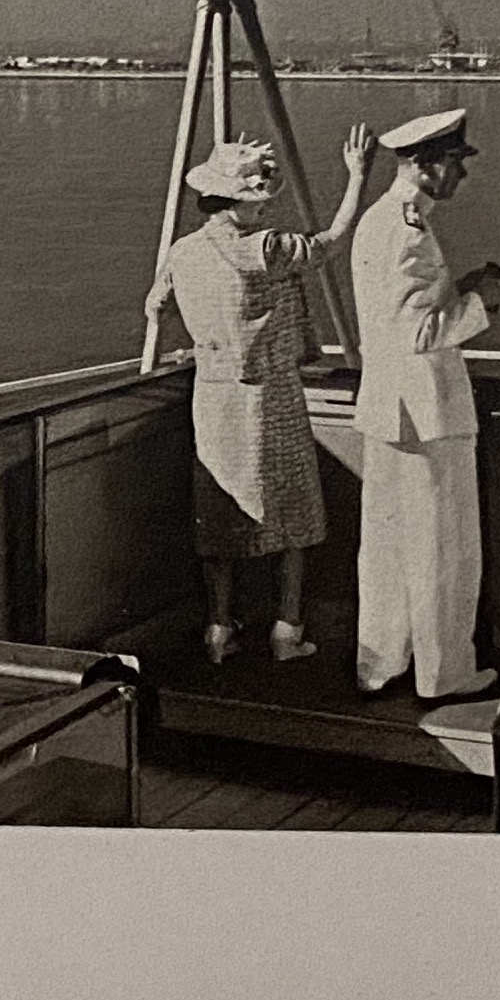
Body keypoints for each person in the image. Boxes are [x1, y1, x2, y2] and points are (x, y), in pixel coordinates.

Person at [144, 127, 383, 665]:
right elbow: (332, 242)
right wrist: (358, 177)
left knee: (221, 515)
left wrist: (202, 341)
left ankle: (219, 629)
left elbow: (157, 307)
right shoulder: (267, 249)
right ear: (242, 201)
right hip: (269, 397)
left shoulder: (184, 251)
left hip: (213, 395)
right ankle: (287, 628)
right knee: (293, 514)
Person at [348, 107, 500, 701]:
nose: (461, 176)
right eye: (454, 164)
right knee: (442, 546)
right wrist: (480, 303)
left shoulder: (377, 221)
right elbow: (420, 333)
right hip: (427, 414)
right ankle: (445, 674)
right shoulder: (409, 232)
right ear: (423, 166)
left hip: (387, 411)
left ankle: (379, 663)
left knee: (385, 547)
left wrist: (456, 288)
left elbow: (395, 320)